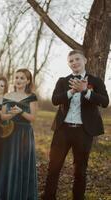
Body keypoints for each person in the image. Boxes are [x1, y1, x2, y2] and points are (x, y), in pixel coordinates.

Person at [42, 50, 109, 200]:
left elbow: (105, 102)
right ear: (68, 64)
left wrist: (85, 91)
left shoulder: (95, 81)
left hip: (83, 132)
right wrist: (72, 91)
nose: (74, 63)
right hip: (63, 130)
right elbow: (55, 100)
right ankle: (48, 197)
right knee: (53, 168)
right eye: (71, 61)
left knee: (80, 171)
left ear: (85, 60)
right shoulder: (63, 81)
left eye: (77, 59)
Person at [0, 69, 38, 200]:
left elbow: (33, 118)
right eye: (17, 77)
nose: (18, 80)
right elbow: (3, 116)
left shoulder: (32, 97)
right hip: (11, 133)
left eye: (22, 78)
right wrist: (12, 114)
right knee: (10, 163)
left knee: (23, 164)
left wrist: (21, 112)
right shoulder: (8, 95)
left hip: (25, 134)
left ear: (28, 81)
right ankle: (7, 194)